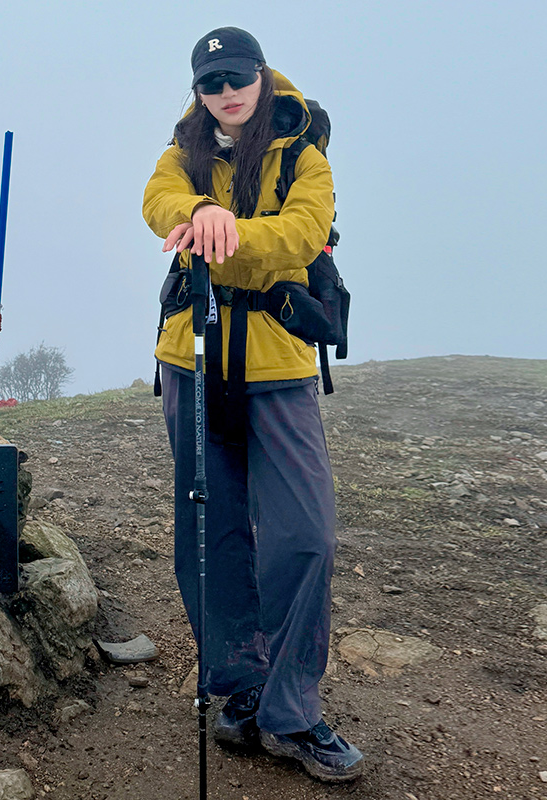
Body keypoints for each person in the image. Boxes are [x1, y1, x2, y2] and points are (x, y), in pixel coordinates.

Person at [142, 26, 364, 783]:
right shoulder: (184, 154)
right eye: (212, 83)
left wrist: (222, 230)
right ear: (199, 92)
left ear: (262, 75)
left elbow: (303, 236)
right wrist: (195, 205)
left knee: (306, 536)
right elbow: (158, 201)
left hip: (277, 364)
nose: (227, 92)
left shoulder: (305, 151)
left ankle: (292, 712)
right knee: (210, 534)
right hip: (191, 362)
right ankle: (237, 688)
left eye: (239, 76)